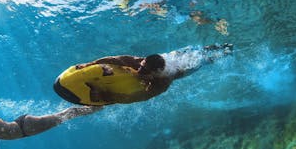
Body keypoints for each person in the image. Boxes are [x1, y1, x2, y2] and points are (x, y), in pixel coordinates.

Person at [55, 43, 233, 104]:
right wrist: (92, 64)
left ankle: (221, 51)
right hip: (169, 57)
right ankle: (211, 47)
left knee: (200, 61)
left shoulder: (163, 81)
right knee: (186, 51)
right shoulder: (139, 61)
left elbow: (140, 97)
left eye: (145, 71)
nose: (139, 70)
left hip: (182, 68)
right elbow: (115, 59)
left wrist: (110, 95)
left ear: (155, 73)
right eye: (141, 66)